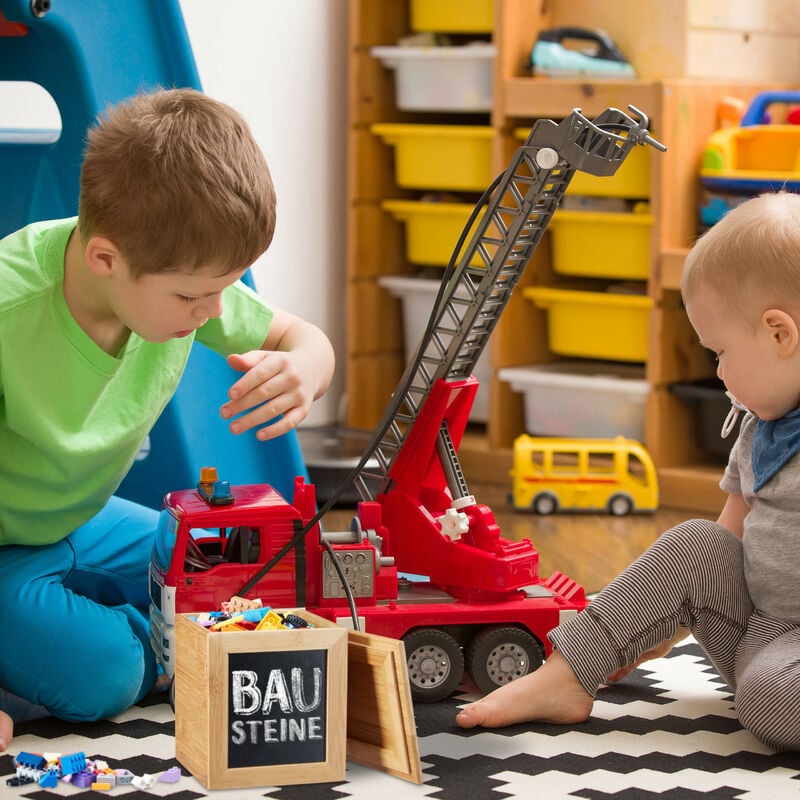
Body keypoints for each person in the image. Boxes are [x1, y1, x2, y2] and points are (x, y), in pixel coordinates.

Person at [0, 88, 335, 753]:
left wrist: (305, 365)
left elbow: (304, 336)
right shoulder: (11, 310)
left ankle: (142, 642)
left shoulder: (174, 282)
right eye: (193, 295)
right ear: (106, 260)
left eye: (225, 288)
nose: (213, 313)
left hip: (77, 516)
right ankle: (136, 653)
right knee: (106, 675)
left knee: (218, 560)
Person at [456, 190, 800, 752]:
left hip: (782, 671)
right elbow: (723, 545)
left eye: (719, 353)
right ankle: (565, 675)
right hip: (762, 632)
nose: (718, 372)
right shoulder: (760, 427)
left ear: (779, 334)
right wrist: (650, 618)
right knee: (694, 540)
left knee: (769, 699)